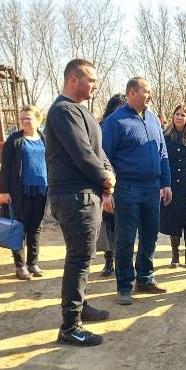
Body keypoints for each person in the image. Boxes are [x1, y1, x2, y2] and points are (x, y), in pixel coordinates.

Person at [45, 58, 113, 346]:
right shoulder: (63, 111)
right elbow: (82, 153)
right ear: (74, 79)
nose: (95, 85)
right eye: (91, 80)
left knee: (84, 256)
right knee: (79, 258)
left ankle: (81, 306)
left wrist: (108, 172)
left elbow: (99, 151)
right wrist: (105, 178)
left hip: (87, 194)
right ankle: (70, 326)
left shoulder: (81, 111)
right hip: (74, 196)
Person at [102, 77, 172, 306]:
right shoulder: (115, 122)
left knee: (150, 235)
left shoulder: (152, 119)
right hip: (126, 189)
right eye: (147, 91)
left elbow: (162, 153)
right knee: (126, 238)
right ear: (132, 92)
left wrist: (166, 183)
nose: (150, 95)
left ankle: (145, 279)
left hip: (152, 188)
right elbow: (104, 157)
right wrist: (107, 192)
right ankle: (124, 286)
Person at [0, 104, 48, 281]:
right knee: (19, 227)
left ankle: (33, 263)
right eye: (22, 119)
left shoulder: (44, 139)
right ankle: (20, 266)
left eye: (28, 118)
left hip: (41, 190)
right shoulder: (14, 140)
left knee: (35, 228)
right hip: (20, 191)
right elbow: (5, 166)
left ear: (38, 119)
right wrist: (4, 191)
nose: (25, 121)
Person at [160, 103, 186, 268]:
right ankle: (175, 254)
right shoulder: (166, 135)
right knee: (174, 219)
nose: (179, 117)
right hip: (173, 183)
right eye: (177, 114)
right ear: (173, 116)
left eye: (183, 115)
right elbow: (162, 160)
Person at [98, 94, 127, 277]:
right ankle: (109, 260)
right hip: (106, 181)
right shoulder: (100, 128)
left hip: (125, 181)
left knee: (123, 223)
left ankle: (122, 259)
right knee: (107, 222)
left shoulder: (130, 126)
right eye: (117, 109)